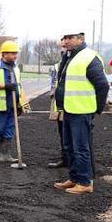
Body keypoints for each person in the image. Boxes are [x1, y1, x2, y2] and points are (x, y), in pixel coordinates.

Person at [53, 33, 109, 195]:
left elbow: (102, 85)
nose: (67, 41)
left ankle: (85, 182)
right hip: (70, 109)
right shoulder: (70, 57)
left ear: (81, 39)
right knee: (69, 146)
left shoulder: (89, 57)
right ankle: (75, 178)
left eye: (71, 37)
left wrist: (97, 108)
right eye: (65, 37)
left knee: (81, 148)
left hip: (82, 111)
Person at [47, 36, 70, 168]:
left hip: (72, 103)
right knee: (62, 132)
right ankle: (65, 158)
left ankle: (72, 160)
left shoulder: (74, 63)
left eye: (65, 46)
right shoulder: (58, 65)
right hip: (59, 102)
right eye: (62, 46)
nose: (63, 49)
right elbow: (54, 82)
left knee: (71, 133)